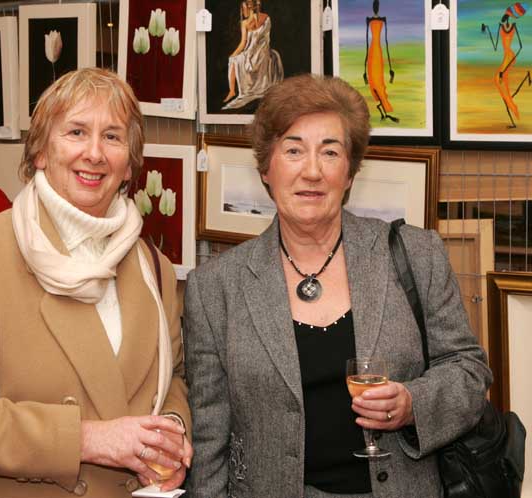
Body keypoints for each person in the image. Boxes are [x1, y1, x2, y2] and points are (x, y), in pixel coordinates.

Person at [183, 74, 491, 498]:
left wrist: (411, 403)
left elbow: (469, 372)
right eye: (293, 150)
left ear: (349, 173)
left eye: (330, 152)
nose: (312, 171)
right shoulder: (215, 288)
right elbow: (208, 436)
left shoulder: (416, 255)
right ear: (266, 169)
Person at [0, 68, 192, 498]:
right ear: (39, 152)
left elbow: (174, 378)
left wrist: (170, 435)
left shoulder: (154, 267)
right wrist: (88, 440)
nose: (94, 153)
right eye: (75, 132)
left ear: (129, 164)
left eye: (112, 137)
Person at [222, 0, 284, 110]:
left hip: (254, 54)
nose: (242, 11)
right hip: (263, 53)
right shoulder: (266, 18)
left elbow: (243, 43)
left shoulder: (245, 23)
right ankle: (232, 91)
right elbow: (265, 38)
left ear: (249, 8)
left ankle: (232, 91)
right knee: (236, 59)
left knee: (233, 60)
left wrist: (232, 55)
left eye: (243, 8)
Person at [481, 2, 531, 128]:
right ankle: (512, 104)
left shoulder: (514, 26)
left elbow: (520, 47)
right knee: (500, 82)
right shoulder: (500, 26)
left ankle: (511, 105)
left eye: (506, 14)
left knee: (499, 79)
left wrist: (506, 68)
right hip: (505, 56)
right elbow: (496, 46)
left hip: (511, 57)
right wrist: (486, 29)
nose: (504, 17)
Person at [364, 0, 398, 123]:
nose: (376, 8)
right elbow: (369, 41)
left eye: (376, 6)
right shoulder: (376, 20)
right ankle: (382, 106)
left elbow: (386, 41)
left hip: (376, 50)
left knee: (378, 79)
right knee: (374, 78)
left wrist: (390, 68)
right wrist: (364, 68)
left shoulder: (376, 20)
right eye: (375, 6)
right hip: (374, 50)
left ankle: (383, 106)